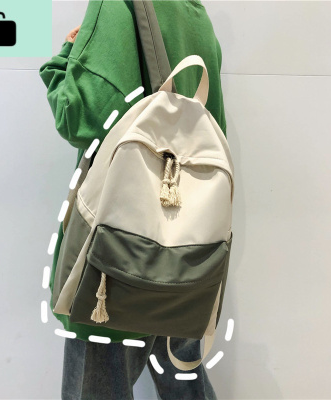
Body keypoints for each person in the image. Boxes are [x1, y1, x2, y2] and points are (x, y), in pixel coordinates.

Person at [39, 1, 227, 399]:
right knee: (184, 384)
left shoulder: (115, 4)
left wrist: (64, 60)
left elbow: (79, 116)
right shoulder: (195, 14)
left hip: (119, 254)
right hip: (190, 251)